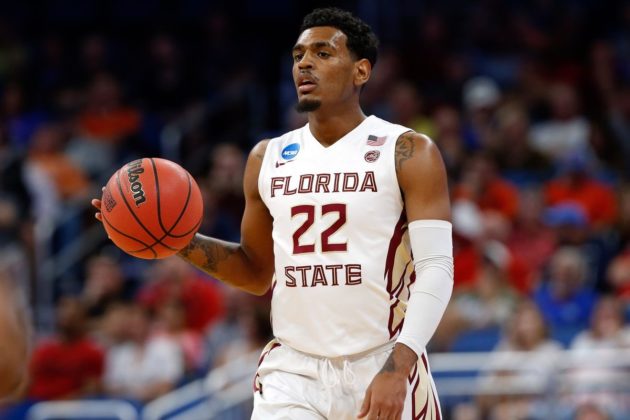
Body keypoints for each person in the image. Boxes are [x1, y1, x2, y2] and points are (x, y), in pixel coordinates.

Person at [93, 7, 453, 419]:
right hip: (294, 372)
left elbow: (437, 268)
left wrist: (401, 365)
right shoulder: (267, 158)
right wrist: (172, 239)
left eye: (323, 53)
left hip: (383, 360)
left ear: (361, 71)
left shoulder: (407, 151)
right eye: (298, 55)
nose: (305, 64)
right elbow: (255, 272)